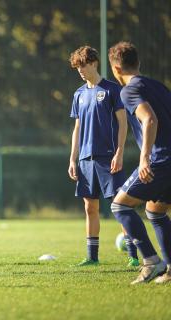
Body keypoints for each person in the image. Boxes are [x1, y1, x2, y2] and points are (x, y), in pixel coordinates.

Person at [109, 41, 171, 284]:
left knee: (120, 206)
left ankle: (150, 262)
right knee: (155, 212)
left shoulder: (128, 90)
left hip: (161, 160)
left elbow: (150, 120)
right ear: (138, 63)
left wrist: (145, 158)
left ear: (116, 68)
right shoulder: (159, 86)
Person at [68, 46, 132, 266]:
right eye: (77, 67)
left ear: (94, 63)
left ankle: (133, 256)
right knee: (90, 207)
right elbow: (77, 128)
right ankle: (92, 257)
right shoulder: (78, 94)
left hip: (108, 157)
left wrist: (119, 152)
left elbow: (123, 123)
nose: (80, 70)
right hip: (85, 159)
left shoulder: (113, 89)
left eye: (83, 65)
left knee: (119, 205)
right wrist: (72, 159)